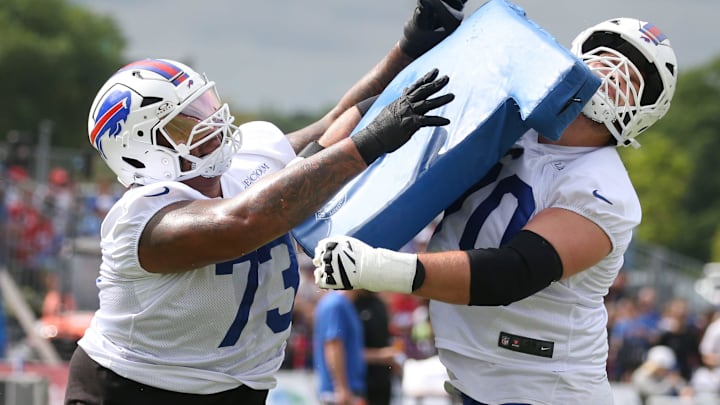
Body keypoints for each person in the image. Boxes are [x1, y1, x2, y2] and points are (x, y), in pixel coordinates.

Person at [63, 0, 462, 402]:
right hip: (132, 390)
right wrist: (371, 142)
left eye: (203, 106)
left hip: (236, 390)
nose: (209, 122)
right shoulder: (140, 217)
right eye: (185, 123)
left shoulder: (246, 161)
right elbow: (247, 221)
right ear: (139, 152)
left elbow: (337, 121)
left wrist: (411, 46)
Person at [313, 17, 678, 404]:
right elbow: (391, 121)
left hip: (544, 388)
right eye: (605, 54)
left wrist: (376, 268)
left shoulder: (605, 189)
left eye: (631, 77)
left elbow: (514, 271)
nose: (611, 72)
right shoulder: (509, 115)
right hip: (473, 376)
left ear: (644, 110)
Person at [314, 290, 368, 405]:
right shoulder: (336, 304)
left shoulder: (343, 303)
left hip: (346, 389)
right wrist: (341, 387)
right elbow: (333, 344)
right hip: (340, 393)